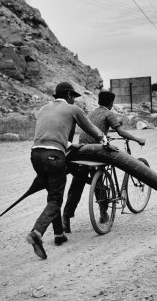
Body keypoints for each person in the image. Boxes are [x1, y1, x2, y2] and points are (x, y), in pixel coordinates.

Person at [26, 82, 106, 259]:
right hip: (54, 156)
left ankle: (59, 235)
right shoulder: (72, 109)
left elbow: (49, 133)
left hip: (35, 154)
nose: (74, 100)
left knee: (52, 195)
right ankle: (37, 232)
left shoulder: (44, 108)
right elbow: (92, 129)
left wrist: (69, 144)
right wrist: (104, 139)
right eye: (74, 97)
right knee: (56, 199)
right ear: (69, 95)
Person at [62, 90, 146, 233]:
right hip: (96, 151)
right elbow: (121, 132)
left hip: (82, 151)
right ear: (111, 103)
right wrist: (138, 139)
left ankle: (66, 217)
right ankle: (103, 213)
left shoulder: (91, 113)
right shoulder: (109, 114)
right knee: (100, 181)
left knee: (77, 184)